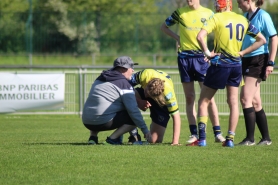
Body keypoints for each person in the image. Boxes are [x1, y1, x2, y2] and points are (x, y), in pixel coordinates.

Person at [196, 0, 266, 147]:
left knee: (204, 101)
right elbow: (262, 40)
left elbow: (200, 36)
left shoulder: (216, 17)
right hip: (236, 66)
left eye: (218, 3)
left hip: (220, 64)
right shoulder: (243, 19)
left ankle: (202, 139)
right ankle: (230, 140)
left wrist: (208, 53)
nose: (217, 5)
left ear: (225, 5)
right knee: (233, 102)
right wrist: (243, 52)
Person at [160, 0, 225, 145]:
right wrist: (178, 38)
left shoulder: (209, 13)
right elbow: (164, 27)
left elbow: (220, 31)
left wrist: (212, 52)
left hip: (202, 60)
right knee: (189, 98)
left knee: (208, 99)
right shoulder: (180, 13)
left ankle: (217, 133)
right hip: (184, 60)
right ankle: (194, 134)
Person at [82, 56, 152, 145]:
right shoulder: (123, 83)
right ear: (124, 68)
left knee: (99, 106)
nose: (133, 70)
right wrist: (145, 131)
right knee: (133, 117)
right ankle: (112, 139)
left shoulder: (100, 77)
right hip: (102, 121)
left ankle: (93, 137)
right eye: (131, 67)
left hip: (87, 121)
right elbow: (133, 111)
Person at [237, 0, 277, 146]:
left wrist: (271, 63)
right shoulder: (245, 16)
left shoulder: (263, 16)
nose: (238, 5)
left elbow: (274, 37)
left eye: (240, 2)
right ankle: (266, 138)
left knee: (245, 98)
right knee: (255, 101)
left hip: (258, 59)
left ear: (249, 1)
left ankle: (250, 139)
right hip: (246, 59)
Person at [128, 69, 181, 145]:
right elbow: (123, 87)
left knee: (154, 140)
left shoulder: (168, 95)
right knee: (126, 98)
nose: (146, 96)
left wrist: (175, 142)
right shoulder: (145, 75)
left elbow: (176, 116)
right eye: (146, 92)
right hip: (141, 92)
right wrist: (139, 101)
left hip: (160, 102)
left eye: (149, 96)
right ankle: (133, 133)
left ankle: (153, 125)